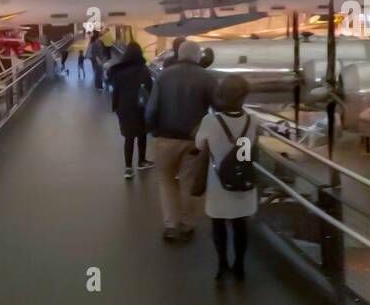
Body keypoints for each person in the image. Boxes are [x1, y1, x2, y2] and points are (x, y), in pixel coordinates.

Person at [194, 74, 261, 282]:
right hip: (243, 179)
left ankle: (222, 264)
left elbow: (198, 144)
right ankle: (239, 265)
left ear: (222, 96)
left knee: (218, 224)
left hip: (218, 181)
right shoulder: (253, 119)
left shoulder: (210, 121)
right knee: (241, 225)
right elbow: (250, 147)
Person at [146, 42, 216, 242]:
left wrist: (154, 131)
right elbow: (217, 109)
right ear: (197, 56)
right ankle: (187, 224)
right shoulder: (207, 77)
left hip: (166, 138)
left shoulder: (164, 75)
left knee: (166, 181)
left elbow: (151, 109)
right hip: (193, 141)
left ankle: (171, 225)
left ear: (178, 54)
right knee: (188, 182)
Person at [106, 41, 152, 179]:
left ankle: (128, 168)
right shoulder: (143, 69)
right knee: (142, 134)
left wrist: (115, 106)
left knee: (129, 137)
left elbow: (115, 89)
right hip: (140, 107)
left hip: (124, 107)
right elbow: (150, 88)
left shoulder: (119, 71)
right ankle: (141, 161)